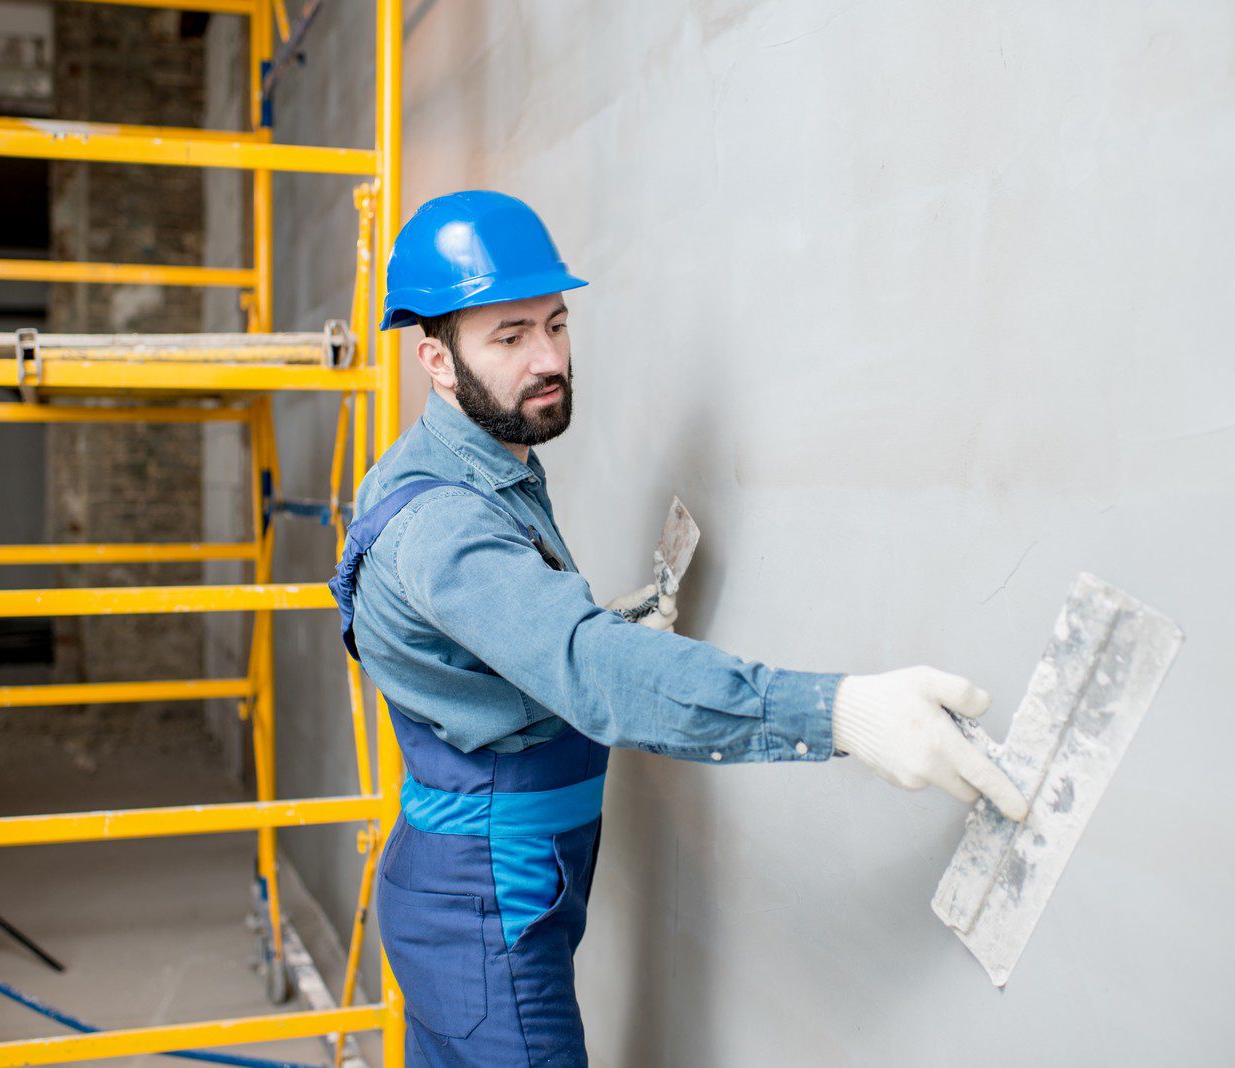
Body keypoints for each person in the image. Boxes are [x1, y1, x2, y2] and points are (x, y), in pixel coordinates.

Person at [329, 190, 1028, 1067]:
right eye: (509, 339)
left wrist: (612, 618)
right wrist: (841, 712)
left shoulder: (467, 458)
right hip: (484, 909)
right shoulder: (446, 524)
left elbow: (495, 637)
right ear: (436, 360)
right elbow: (586, 670)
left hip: (477, 893)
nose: (548, 358)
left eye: (555, 323)